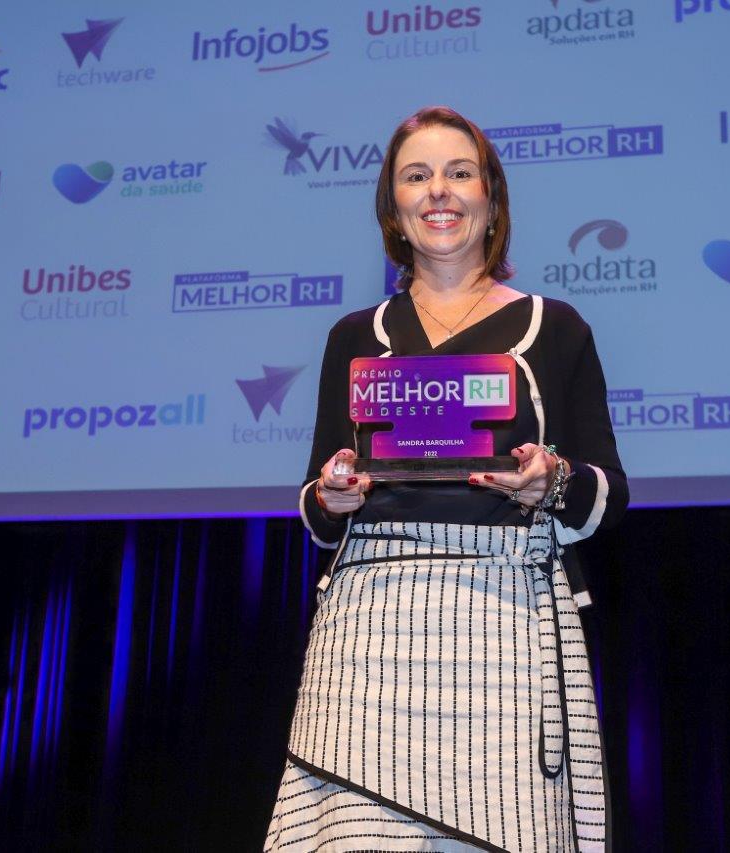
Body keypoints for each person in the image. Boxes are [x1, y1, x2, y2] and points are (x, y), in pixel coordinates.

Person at [264, 106, 629, 852]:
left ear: (491, 200)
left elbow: (609, 494)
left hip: (508, 628)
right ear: (394, 208)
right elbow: (317, 506)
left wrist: (554, 481)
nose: (439, 191)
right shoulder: (354, 337)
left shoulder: (556, 329)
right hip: (370, 632)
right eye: (417, 176)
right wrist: (332, 493)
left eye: (460, 173)